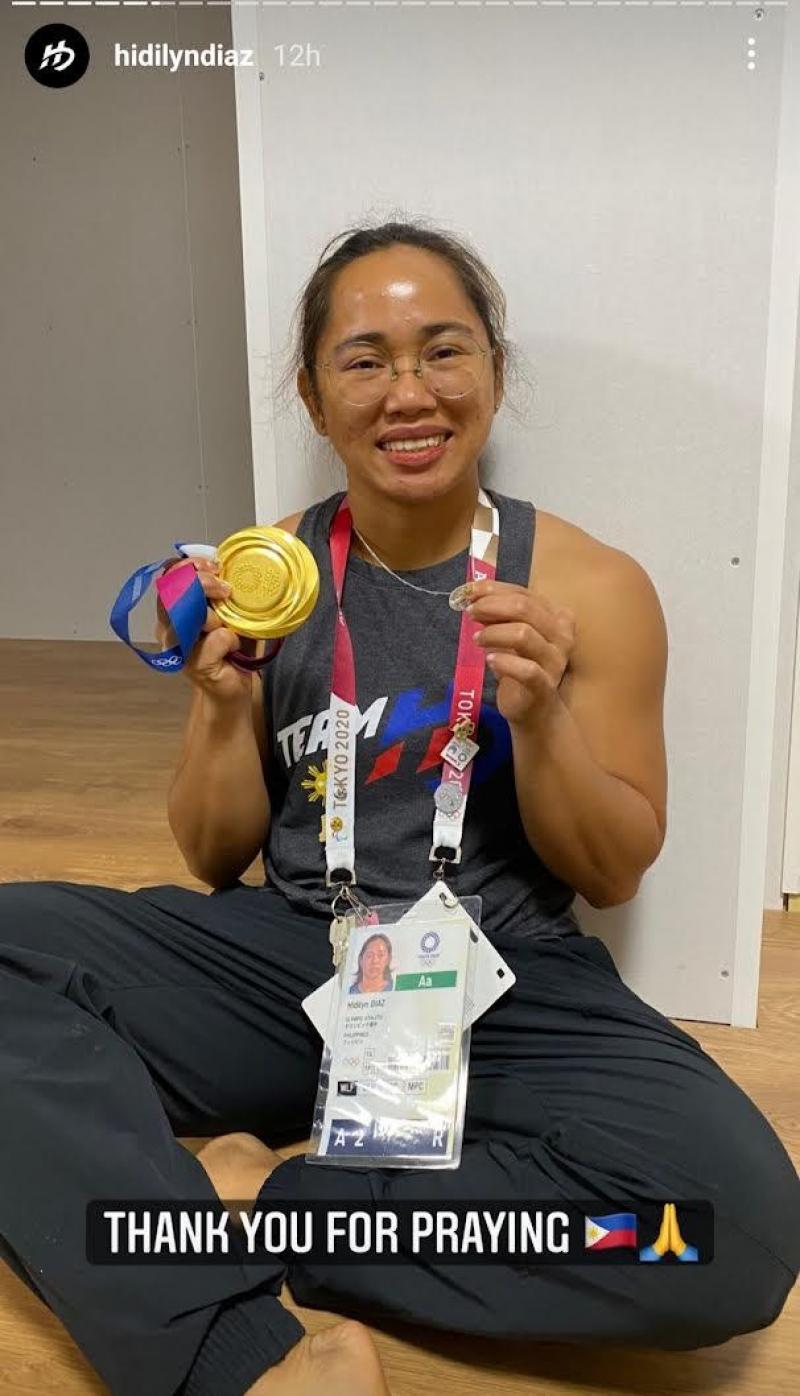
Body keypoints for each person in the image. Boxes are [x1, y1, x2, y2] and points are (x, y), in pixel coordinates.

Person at [1, 219, 798, 1396]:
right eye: (364, 360)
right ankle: (229, 1354)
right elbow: (214, 856)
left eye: (443, 350)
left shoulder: (588, 585)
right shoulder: (271, 576)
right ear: (314, 396)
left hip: (499, 974)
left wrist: (543, 721)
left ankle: (268, 1200)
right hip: (285, 958)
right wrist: (222, 707)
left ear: (493, 372)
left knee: (718, 1230)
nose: (407, 392)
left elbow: (614, 868)